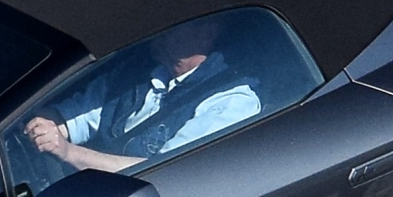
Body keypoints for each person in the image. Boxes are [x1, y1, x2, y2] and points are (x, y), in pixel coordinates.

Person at [22, 18, 259, 174]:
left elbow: (163, 174)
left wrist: (68, 152)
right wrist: (46, 128)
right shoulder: (136, 69)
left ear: (207, 32)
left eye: (174, 24)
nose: (159, 30)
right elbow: (81, 116)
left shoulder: (232, 101)